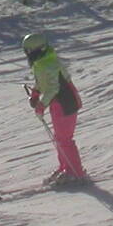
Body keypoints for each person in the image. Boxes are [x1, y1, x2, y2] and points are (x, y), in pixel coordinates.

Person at [23, 32, 86, 185]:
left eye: (28, 52)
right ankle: (65, 167)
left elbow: (53, 88)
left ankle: (75, 172)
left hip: (66, 103)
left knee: (65, 139)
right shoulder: (42, 62)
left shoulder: (50, 64)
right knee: (59, 139)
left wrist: (41, 106)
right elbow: (42, 82)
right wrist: (35, 93)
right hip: (57, 103)